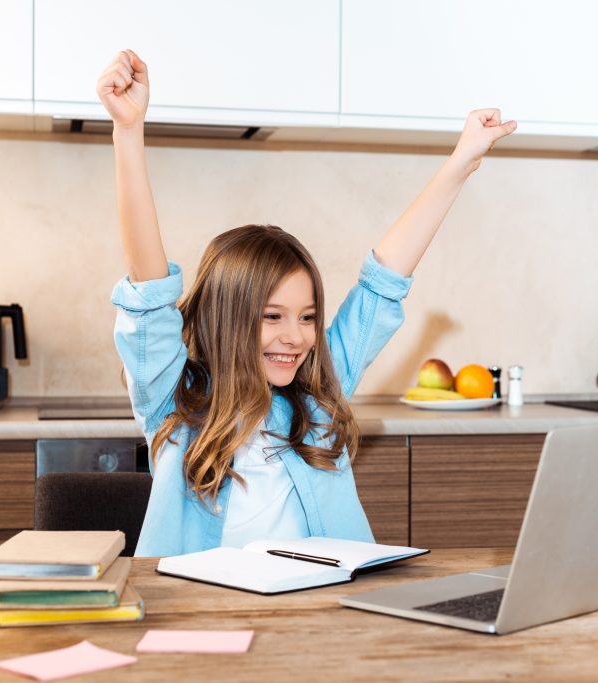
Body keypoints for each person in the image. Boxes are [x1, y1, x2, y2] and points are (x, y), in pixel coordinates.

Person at [98, 50, 516, 556]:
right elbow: (149, 291)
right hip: (199, 605)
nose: (295, 337)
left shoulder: (317, 395)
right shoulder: (175, 399)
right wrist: (128, 132)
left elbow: (383, 283)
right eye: (272, 317)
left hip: (321, 601)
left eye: (308, 317)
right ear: (227, 319)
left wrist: (462, 161)